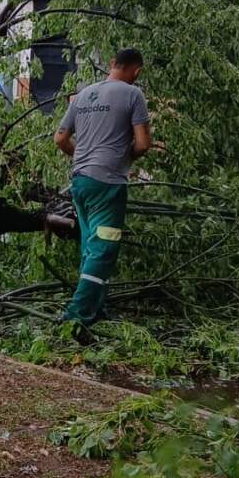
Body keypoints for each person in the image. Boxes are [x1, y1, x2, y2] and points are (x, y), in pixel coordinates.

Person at [54, 48, 152, 328]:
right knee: (104, 249)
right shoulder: (133, 95)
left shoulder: (83, 94)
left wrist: (85, 157)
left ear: (112, 65)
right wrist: (123, 157)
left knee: (90, 247)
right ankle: (76, 315)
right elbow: (143, 144)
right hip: (108, 185)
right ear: (136, 71)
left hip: (81, 182)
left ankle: (97, 309)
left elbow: (60, 139)